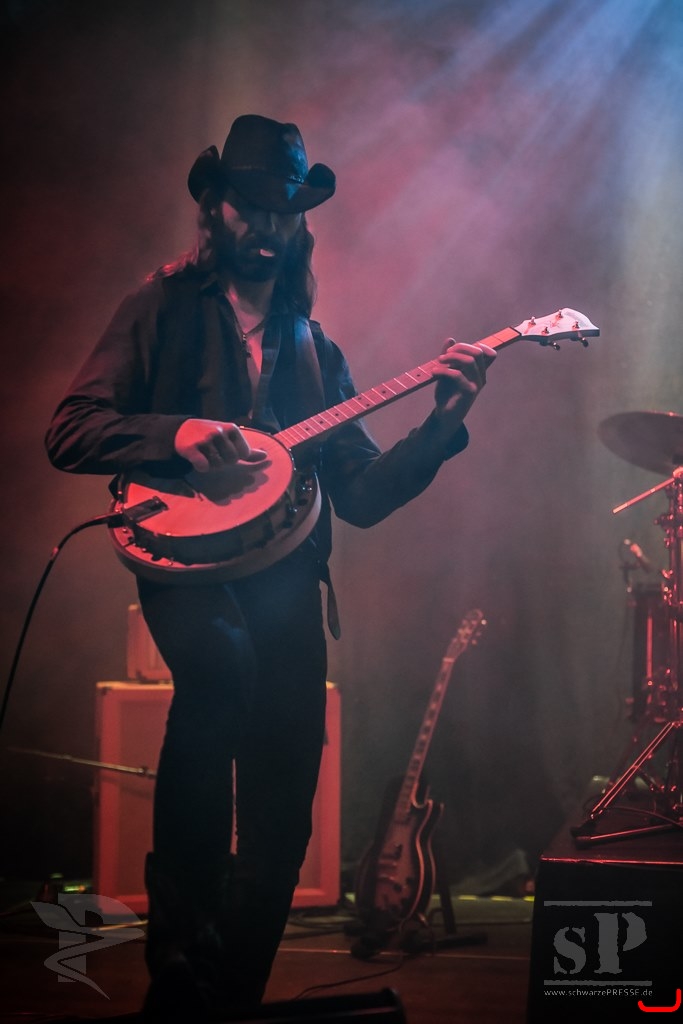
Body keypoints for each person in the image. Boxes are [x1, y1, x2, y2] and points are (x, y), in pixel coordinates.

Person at [45, 114, 495, 1019]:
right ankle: (180, 961)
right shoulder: (159, 307)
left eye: (282, 211)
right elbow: (71, 429)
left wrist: (441, 424)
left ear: (299, 223)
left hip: (288, 579)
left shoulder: (313, 348)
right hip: (185, 567)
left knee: (286, 784)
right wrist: (177, 433)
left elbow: (359, 494)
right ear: (213, 208)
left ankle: (232, 991)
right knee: (219, 676)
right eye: (246, 206)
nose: (263, 226)